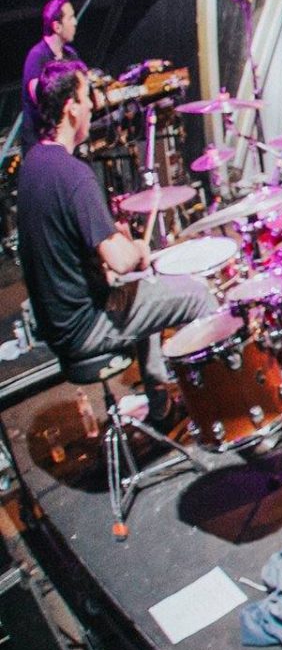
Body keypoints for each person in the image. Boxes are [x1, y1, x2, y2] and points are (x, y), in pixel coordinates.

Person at [16, 60, 216, 420]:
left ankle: (160, 400)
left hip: (58, 326)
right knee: (199, 294)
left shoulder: (34, 164)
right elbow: (122, 260)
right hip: (87, 326)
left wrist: (113, 250)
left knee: (142, 285)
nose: (93, 105)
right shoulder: (73, 175)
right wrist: (136, 248)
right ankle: (219, 412)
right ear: (71, 108)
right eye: (87, 97)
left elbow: (66, 248)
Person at [21, 0, 83, 145]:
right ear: (57, 27)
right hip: (40, 143)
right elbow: (41, 99)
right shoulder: (37, 56)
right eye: (70, 18)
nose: (75, 22)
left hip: (65, 140)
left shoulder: (70, 54)